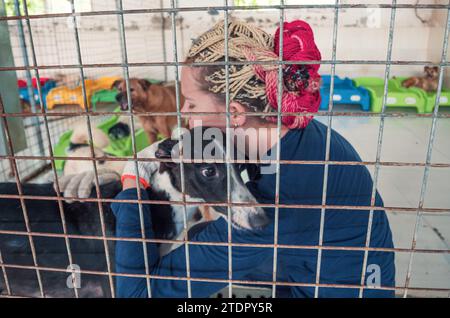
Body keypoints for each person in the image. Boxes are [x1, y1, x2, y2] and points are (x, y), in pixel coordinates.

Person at [112, 19, 395, 298]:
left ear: (234, 113)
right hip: (328, 262)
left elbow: (135, 292)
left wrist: (130, 184)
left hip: (330, 283)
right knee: (198, 234)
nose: (183, 111)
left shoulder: (279, 199)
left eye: (192, 103)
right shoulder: (289, 129)